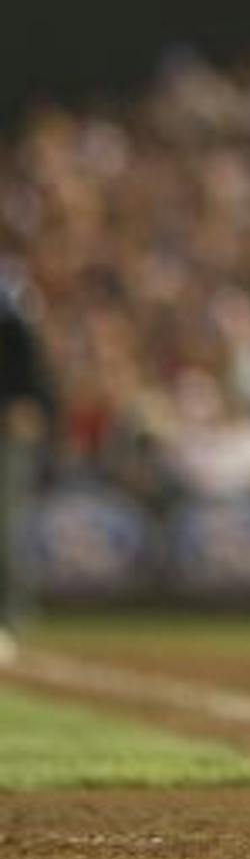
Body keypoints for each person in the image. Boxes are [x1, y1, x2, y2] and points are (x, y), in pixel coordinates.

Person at [0, 271, 57, 658]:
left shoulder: (9, 294)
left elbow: (30, 369)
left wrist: (29, 402)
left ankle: (7, 617)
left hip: (6, 431)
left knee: (6, 526)